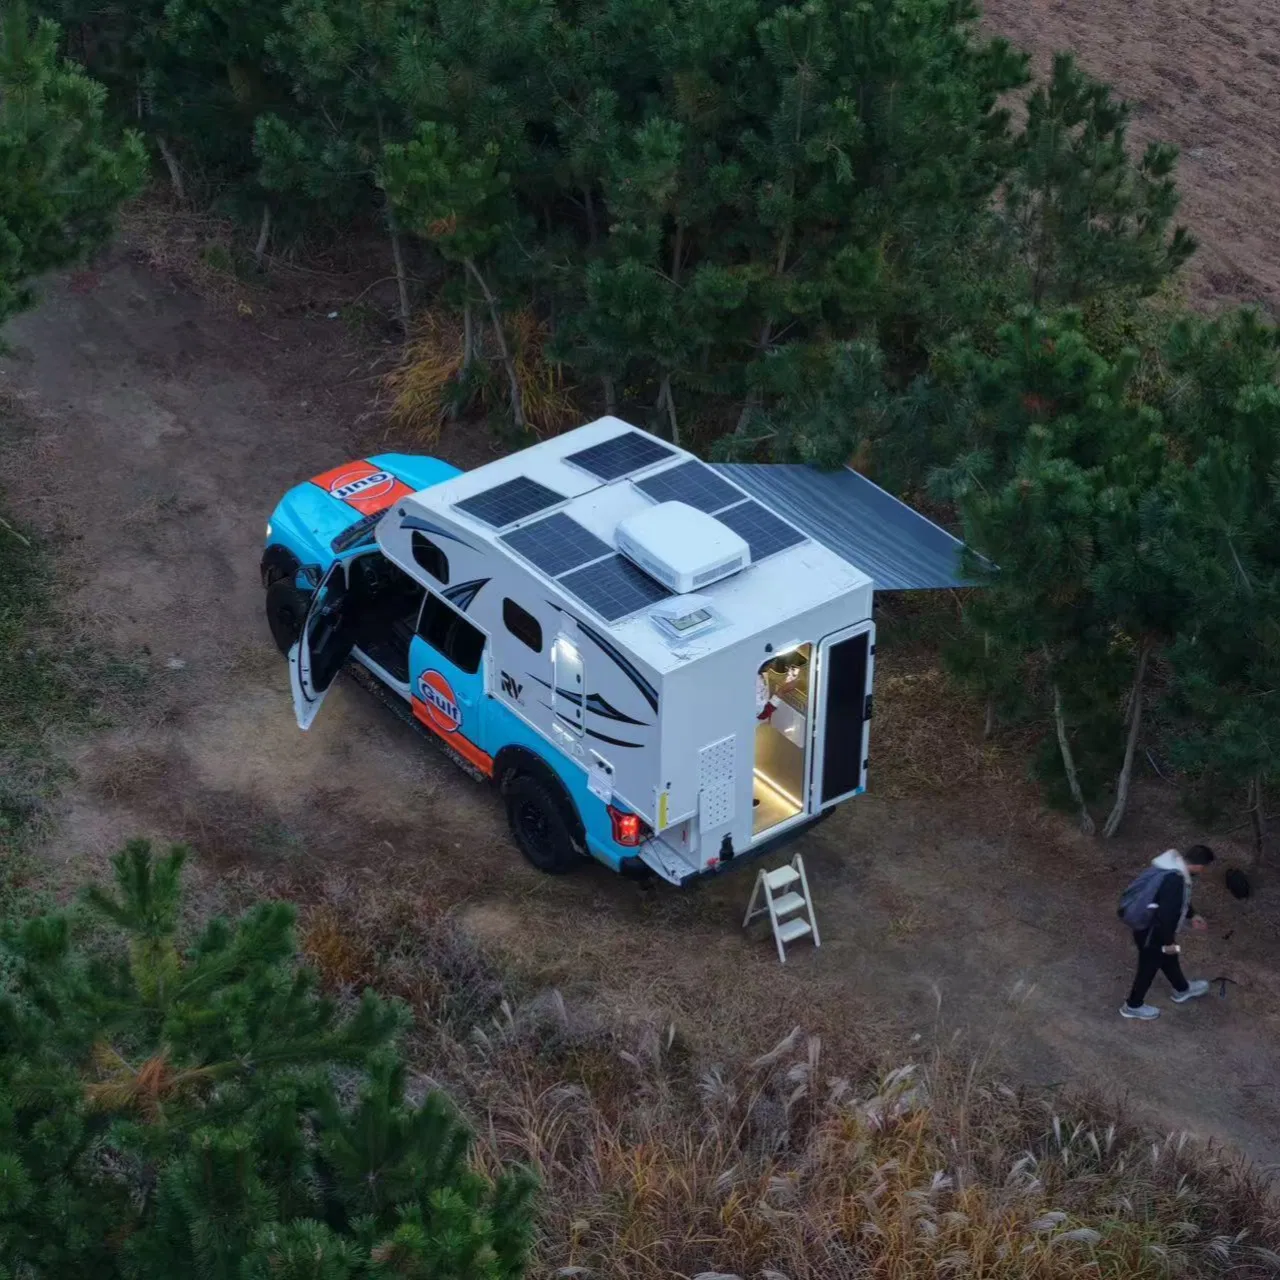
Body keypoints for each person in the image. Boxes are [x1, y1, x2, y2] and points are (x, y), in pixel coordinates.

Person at [1120, 845, 1214, 1020]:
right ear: (1201, 866)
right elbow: (1166, 915)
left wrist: (1192, 915)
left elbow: (1173, 901)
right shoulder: (1176, 880)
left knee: (1170, 957)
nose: (1203, 871)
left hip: (1151, 928)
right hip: (1152, 932)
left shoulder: (1171, 867)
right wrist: (1169, 942)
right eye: (1204, 868)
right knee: (1149, 967)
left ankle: (1182, 989)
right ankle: (1133, 1005)